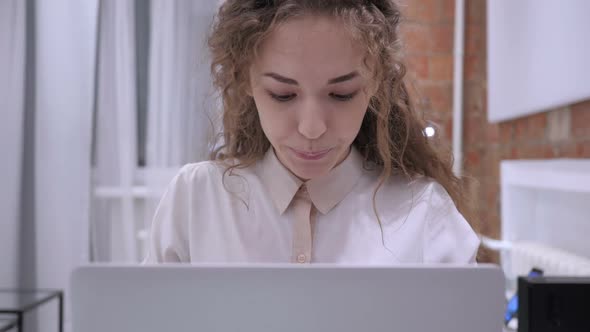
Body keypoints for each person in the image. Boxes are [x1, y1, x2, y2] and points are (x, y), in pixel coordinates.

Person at [144, 0, 480, 264]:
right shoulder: (196, 200)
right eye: (283, 94)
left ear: (375, 81)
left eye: (342, 94)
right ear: (245, 79)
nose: (311, 128)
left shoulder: (424, 213)